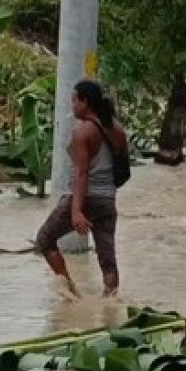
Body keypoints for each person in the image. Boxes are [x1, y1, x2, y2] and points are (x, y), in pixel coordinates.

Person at [35, 80, 128, 298]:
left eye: (75, 101)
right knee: (107, 258)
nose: (73, 106)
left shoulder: (83, 132)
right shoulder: (116, 129)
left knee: (45, 239)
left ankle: (71, 293)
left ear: (85, 103)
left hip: (85, 198)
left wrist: (76, 210)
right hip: (107, 201)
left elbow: (81, 173)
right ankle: (110, 304)